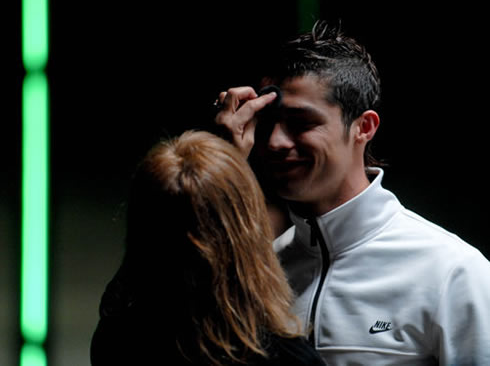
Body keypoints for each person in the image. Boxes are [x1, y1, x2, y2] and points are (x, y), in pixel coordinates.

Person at [213, 21, 490, 365]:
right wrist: (220, 167)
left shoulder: (453, 272)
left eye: (301, 123)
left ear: (365, 127)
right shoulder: (260, 271)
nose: (274, 143)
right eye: (267, 124)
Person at [90, 131, 326, 365]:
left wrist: (222, 176)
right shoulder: (287, 358)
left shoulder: (115, 339)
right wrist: (228, 177)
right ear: (246, 231)